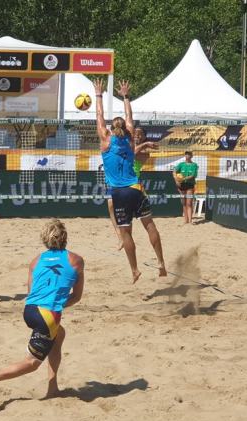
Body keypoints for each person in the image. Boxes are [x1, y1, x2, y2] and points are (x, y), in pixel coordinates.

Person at [0, 219, 84, 402]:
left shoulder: (35, 261)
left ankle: (53, 388)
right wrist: (56, 306)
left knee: (58, 335)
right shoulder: (76, 260)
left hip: (30, 311)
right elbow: (76, 297)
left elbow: (31, 293)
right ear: (65, 237)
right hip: (48, 315)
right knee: (32, 363)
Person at [93, 77, 166, 282]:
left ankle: (134, 269)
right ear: (125, 128)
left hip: (119, 191)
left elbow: (99, 115)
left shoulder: (106, 140)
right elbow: (129, 116)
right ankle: (161, 262)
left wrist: (98, 94)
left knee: (125, 232)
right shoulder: (130, 136)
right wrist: (125, 95)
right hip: (136, 187)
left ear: (111, 128)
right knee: (150, 225)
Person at [173, 151, 198, 224]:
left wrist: (183, 179)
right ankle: (185, 220)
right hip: (181, 185)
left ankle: (190, 221)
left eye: (189, 154)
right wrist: (176, 180)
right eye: (186, 154)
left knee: (189, 203)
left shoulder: (194, 165)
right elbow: (174, 171)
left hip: (190, 184)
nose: (187, 155)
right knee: (183, 203)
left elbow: (193, 175)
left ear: (191, 156)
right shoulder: (181, 164)